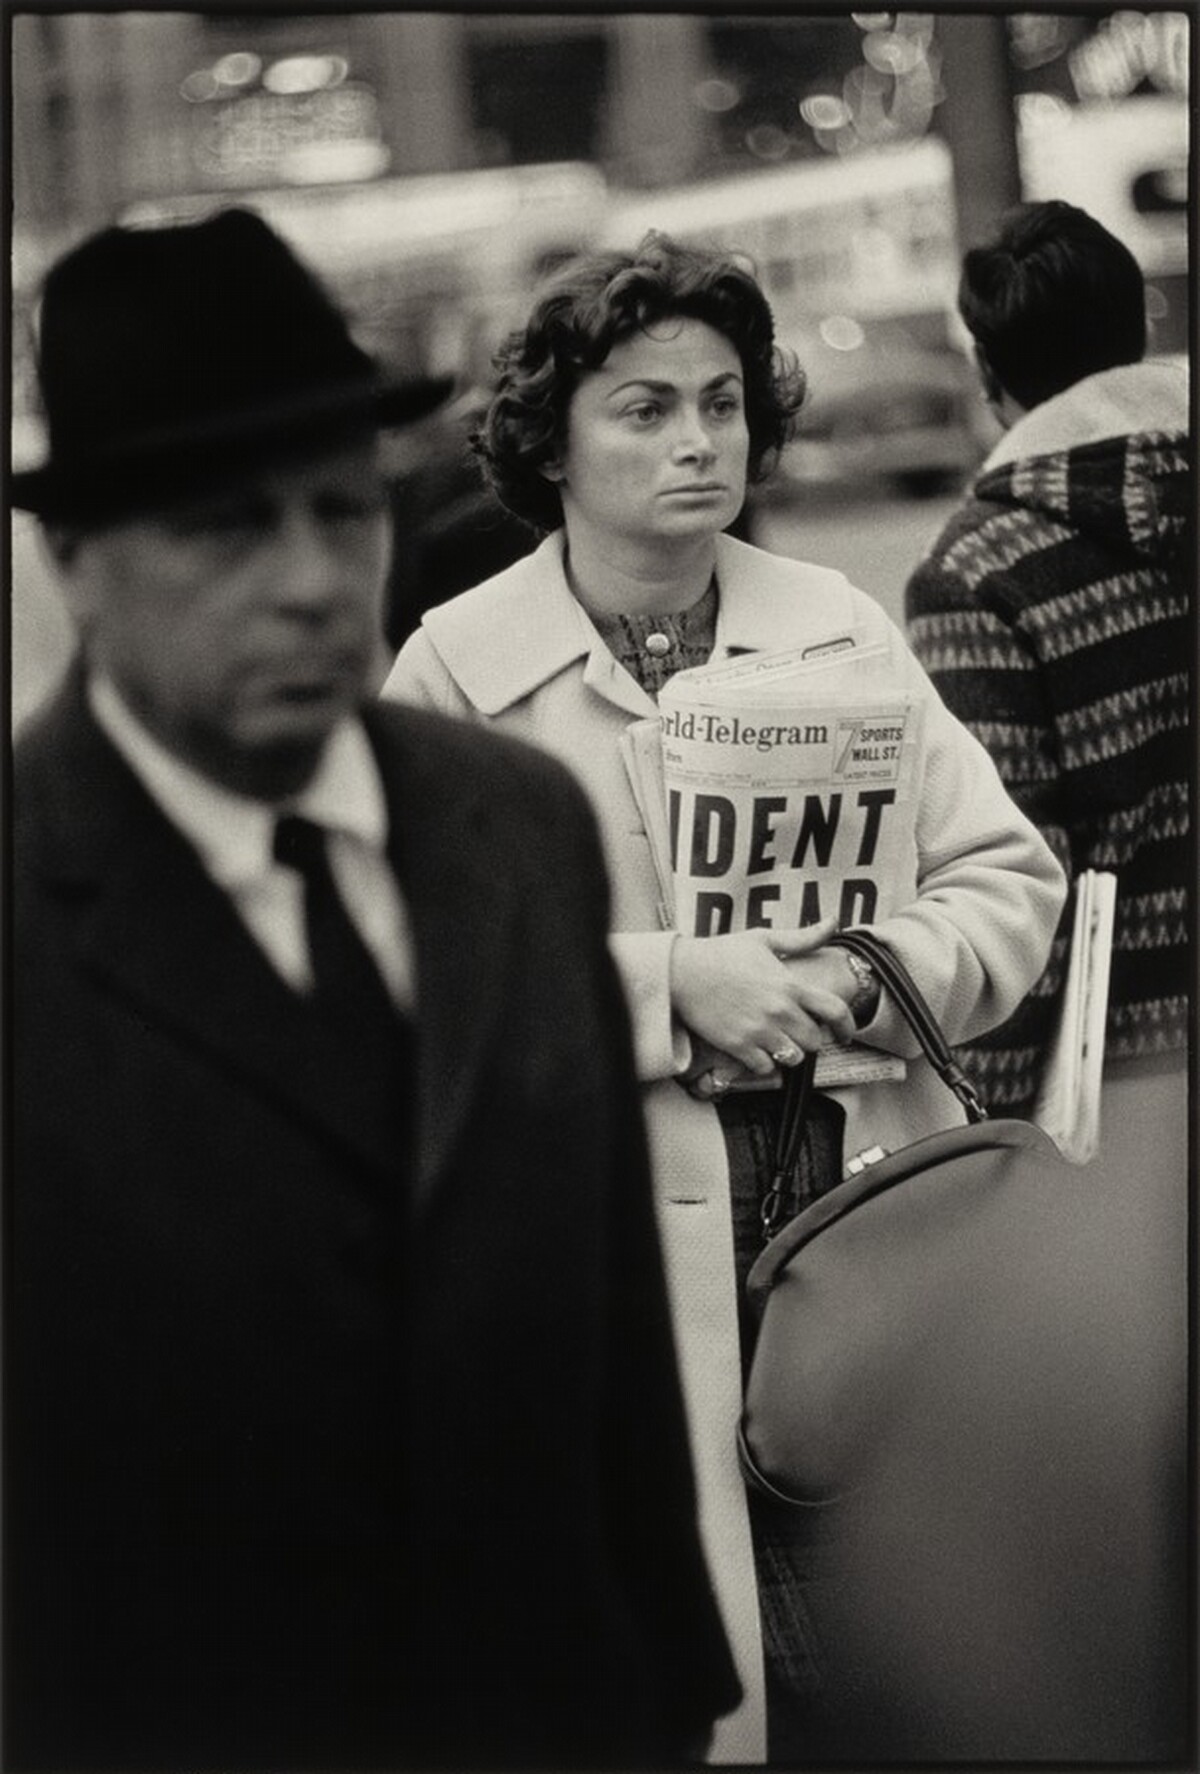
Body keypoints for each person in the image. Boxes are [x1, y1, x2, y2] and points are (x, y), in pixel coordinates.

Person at [7, 209, 741, 1771]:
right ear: (75, 560)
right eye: (225, 528)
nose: (310, 583)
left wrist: (667, 1702)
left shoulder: (515, 824)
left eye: (343, 514)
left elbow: (613, 1352)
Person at [381, 231, 1066, 1761]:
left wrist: (857, 981)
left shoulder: (836, 621)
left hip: (857, 1223)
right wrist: (667, 987)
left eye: (721, 401)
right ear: (549, 438)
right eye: (642, 407)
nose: (698, 440)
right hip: (599, 1264)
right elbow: (394, 971)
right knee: (661, 1679)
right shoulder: (452, 669)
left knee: (893, 1656)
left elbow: (1007, 887)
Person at [904, 201, 1189, 1208]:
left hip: (1132, 1104)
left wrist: (982, 1141)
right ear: (1141, 328)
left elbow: (1020, 888)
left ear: (989, 376)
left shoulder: (978, 571)